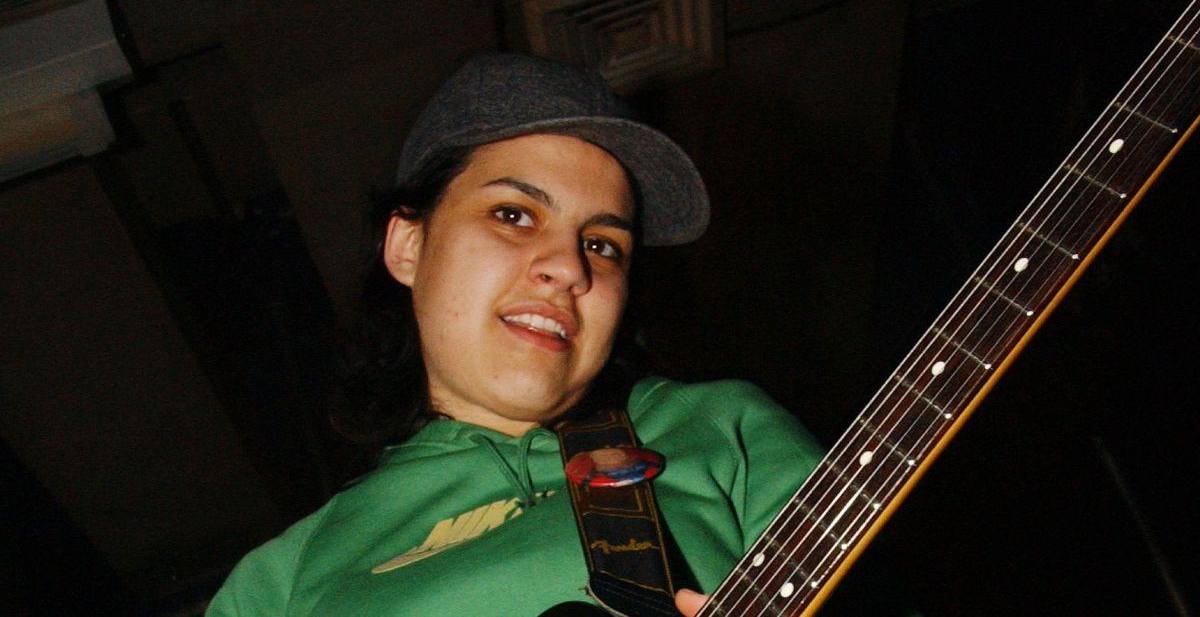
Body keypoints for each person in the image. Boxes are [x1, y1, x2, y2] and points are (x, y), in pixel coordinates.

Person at [206, 53, 824, 616]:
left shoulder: (725, 427)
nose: (569, 267)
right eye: (514, 215)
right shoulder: (281, 579)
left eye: (603, 245)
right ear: (409, 245)